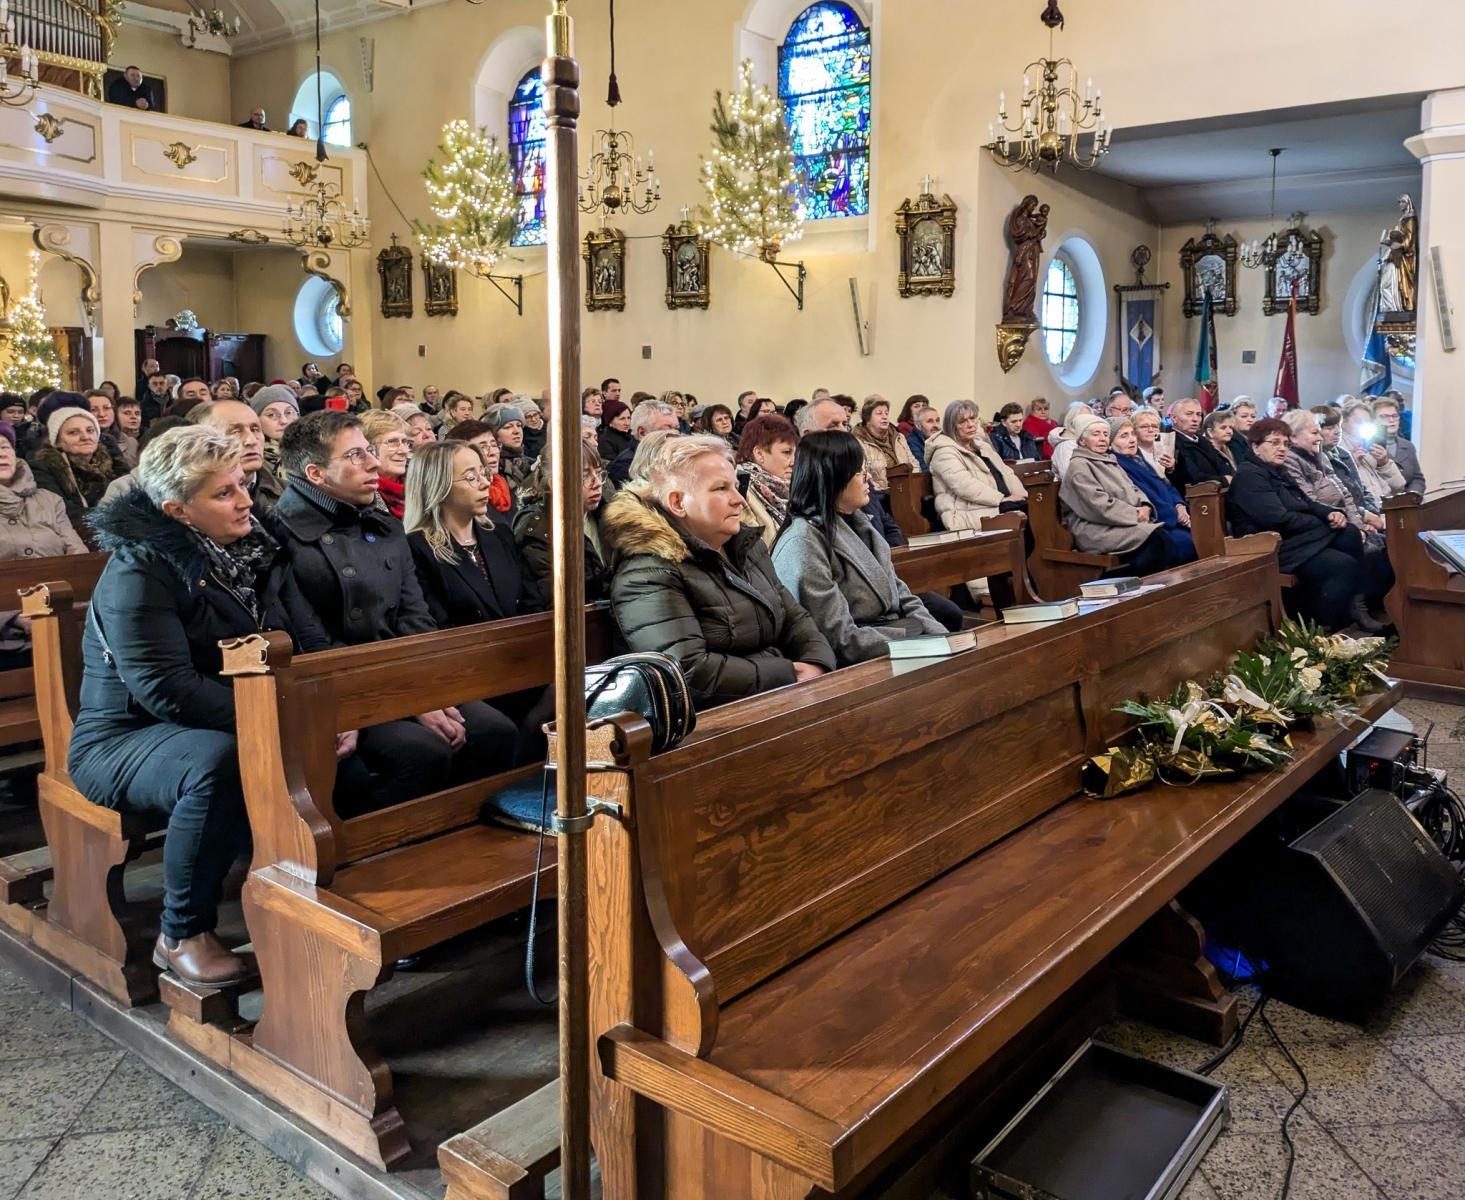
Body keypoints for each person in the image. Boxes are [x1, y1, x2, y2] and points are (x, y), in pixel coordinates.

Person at [68, 426, 332, 985]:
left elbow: (294, 633)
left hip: (230, 713)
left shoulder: (246, 549)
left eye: (242, 484)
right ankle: (181, 931)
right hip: (123, 737)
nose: (244, 500)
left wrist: (321, 706)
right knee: (220, 763)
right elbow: (166, 689)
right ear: (177, 510)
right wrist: (279, 722)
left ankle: (319, 892)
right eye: (223, 493)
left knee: (358, 745)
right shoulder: (140, 570)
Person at [272, 412, 518, 803]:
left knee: (493, 731)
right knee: (421, 753)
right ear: (317, 474)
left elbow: (414, 617)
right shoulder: (284, 537)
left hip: (402, 674)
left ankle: (463, 845)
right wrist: (396, 701)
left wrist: (426, 693)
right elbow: (312, 642)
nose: (373, 463)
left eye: (371, 450)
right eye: (356, 455)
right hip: (342, 689)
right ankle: (386, 856)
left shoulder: (381, 523)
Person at [600, 433, 835, 709]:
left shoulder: (746, 547)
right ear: (678, 502)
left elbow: (795, 619)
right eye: (721, 488)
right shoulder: (647, 572)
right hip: (713, 719)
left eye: (736, 486)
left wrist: (816, 661)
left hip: (774, 695)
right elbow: (688, 670)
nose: (740, 500)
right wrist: (789, 673)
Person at [772, 431, 944, 666]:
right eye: (859, 471)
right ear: (833, 478)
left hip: (891, 640)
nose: (868, 478)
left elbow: (901, 593)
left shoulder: (860, 522)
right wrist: (914, 639)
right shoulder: (803, 543)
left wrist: (940, 636)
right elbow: (840, 638)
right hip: (860, 660)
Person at [1227, 418, 1366, 632]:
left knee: (1349, 533)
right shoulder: (1249, 476)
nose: (1281, 449)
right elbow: (1277, 519)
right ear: (1256, 446)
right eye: (1274, 443)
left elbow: (1307, 502)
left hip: (1296, 538)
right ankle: (1319, 626)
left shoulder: (1278, 470)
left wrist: (1331, 513)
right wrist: (1322, 524)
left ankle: (1352, 609)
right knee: (1342, 564)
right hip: (1270, 547)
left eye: (1285, 444)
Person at [405, 440, 546, 627]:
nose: (485, 483)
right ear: (438, 486)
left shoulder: (500, 535)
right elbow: (438, 625)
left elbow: (532, 602)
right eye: (471, 477)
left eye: (483, 472)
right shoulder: (417, 548)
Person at [1281, 409, 1389, 632]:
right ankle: (1341, 618)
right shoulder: (1290, 461)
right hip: (1318, 529)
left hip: (1340, 522)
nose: (1320, 437)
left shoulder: (1319, 455)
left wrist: (1358, 526)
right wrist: (1351, 526)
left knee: (1370, 544)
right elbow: (1311, 502)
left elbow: (1346, 495)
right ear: (1293, 436)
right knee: (1356, 553)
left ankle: (1363, 609)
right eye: (1314, 432)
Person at [0, 422, 87, 665]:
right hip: (7, 634)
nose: (1, 453)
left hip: (63, 617)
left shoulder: (49, 500)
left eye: (5, 446)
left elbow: (77, 557)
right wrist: (13, 617)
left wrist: (71, 607)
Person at [1061, 415, 1190, 576]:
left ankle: (1161, 590)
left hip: (1121, 522)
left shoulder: (1108, 460)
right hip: (1096, 528)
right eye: (1095, 434)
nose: (1102, 439)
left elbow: (1133, 488)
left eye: (1105, 434)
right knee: (1156, 540)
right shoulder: (1079, 467)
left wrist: (1145, 506)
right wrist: (1136, 514)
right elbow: (1098, 505)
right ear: (1081, 441)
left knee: (1161, 539)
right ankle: (1143, 592)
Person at [513, 441, 613, 603]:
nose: (597, 484)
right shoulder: (536, 528)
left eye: (599, 473)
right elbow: (552, 596)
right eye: (585, 476)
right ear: (556, 484)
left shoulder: (607, 516)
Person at [926, 400, 1025, 534]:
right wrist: (1002, 499)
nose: (971, 424)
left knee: (1035, 506)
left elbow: (1007, 472)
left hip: (993, 506)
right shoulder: (943, 452)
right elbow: (964, 486)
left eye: (972, 418)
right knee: (1024, 512)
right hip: (967, 513)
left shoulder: (982, 445)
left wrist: (1021, 495)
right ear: (951, 426)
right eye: (963, 421)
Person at [29, 404, 122, 543]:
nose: (85, 437)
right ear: (58, 442)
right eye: (73, 432)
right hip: (71, 539)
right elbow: (64, 513)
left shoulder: (113, 463)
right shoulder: (42, 468)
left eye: (90, 430)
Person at [1109, 416, 1196, 563]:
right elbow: (1147, 496)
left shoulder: (1137, 459)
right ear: (1110, 444)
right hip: (1160, 521)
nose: (1132, 440)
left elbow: (1166, 485)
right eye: (1124, 436)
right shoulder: (1118, 464)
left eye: (1132, 434)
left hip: (1172, 515)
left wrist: (1180, 505)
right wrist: (1176, 516)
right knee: (1188, 542)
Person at [195, 400, 284, 515]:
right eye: (235, 432)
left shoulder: (289, 491)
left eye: (255, 429)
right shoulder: (191, 504)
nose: (251, 441)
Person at [735, 413, 798, 547]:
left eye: (795, 454)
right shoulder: (741, 489)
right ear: (759, 454)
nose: (794, 461)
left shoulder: (794, 486)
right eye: (787, 453)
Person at [1338, 400, 1406, 508]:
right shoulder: (1338, 448)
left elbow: (1399, 486)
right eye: (1359, 422)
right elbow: (1340, 493)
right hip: (1366, 512)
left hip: (1386, 505)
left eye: (1367, 423)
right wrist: (1351, 464)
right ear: (1344, 422)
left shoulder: (1371, 443)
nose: (1364, 426)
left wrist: (1384, 463)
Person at [447, 420, 516, 520]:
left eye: (494, 445)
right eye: (482, 447)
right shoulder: (464, 501)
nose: (492, 452)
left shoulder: (504, 484)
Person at [853, 395, 919, 491]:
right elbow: (861, 474)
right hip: (877, 495)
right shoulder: (858, 441)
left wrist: (912, 483)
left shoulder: (899, 437)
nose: (884, 417)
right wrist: (883, 490)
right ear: (867, 419)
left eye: (886, 413)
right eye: (879, 413)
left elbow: (914, 463)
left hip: (905, 490)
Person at [608, 399, 679, 487]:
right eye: (666, 429)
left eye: (676, 429)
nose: (675, 435)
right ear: (642, 433)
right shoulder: (625, 466)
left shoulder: (672, 457)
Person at [358, 410, 412, 520]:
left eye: (405, 442)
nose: (404, 450)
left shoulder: (419, 484)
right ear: (367, 448)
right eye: (392, 442)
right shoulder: (358, 494)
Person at [1372, 396, 1424, 493]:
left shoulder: (1408, 446)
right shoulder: (1368, 447)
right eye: (1384, 416)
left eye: (1394, 416)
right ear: (1374, 420)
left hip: (1408, 502)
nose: (1391, 420)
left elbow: (1417, 479)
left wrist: (1413, 494)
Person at [1177, 410, 1238, 488]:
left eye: (1231, 428)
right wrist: (1224, 480)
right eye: (1223, 428)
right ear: (1209, 432)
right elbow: (1197, 477)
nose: (1229, 431)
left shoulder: (1227, 449)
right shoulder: (1204, 449)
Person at [483, 402, 535, 491]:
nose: (516, 431)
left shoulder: (533, 465)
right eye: (507, 427)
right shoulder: (491, 467)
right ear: (494, 434)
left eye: (519, 425)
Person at [250, 383, 299, 471]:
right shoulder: (248, 461)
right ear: (256, 420)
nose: (284, 421)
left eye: (289, 413)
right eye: (271, 415)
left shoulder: (317, 452)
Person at [1165, 398, 1206, 490]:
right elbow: (1192, 477)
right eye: (1189, 414)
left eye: (1198, 414)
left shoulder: (1203, 440)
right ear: (1174, 418)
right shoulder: (1171, 442)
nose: (1195, 419)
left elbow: (1220, 464)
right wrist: (1224, 479)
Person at [1049, 402, 1094, 479]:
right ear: (1071, 421)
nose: (1088, 422)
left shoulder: (1090, 440)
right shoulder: (1066, 445)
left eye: (1090, 419)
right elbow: (1070, 476)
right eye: (1083, 418)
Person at [1132, 407, 1174, 478]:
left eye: (1154, 426)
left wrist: (1170, 469)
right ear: (1134, 430)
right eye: (1144, 426)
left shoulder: (1165, 450)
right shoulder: (1131, 454)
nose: (1151, 430)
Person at [597, 398, 634, 464]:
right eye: (622, 419)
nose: (627, 423)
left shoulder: (632, 434)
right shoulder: (605, 440)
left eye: (629, 418)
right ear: (610, 421)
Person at [1228, 399, 1259, 465]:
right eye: (1244, 416)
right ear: (1232, 418)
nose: (1250, 420)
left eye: (1253, 417)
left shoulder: (1255, 438)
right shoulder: (1231, 439)